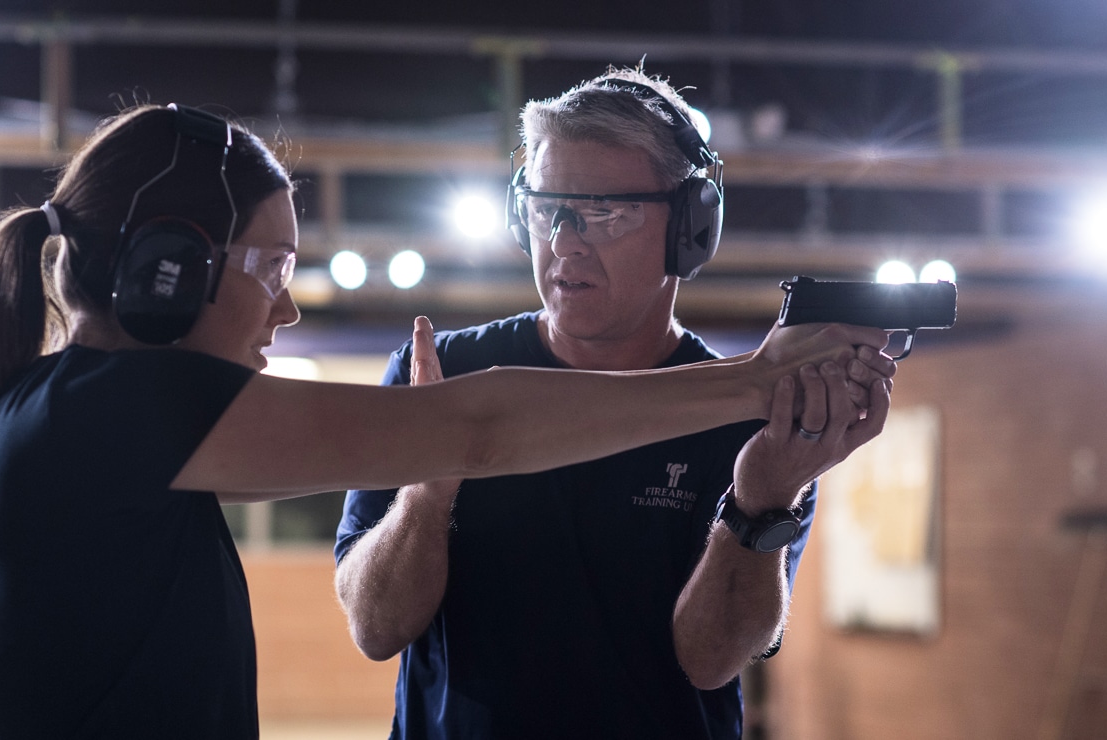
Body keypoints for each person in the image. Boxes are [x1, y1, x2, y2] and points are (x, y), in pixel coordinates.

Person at [0, 100, 886, 739]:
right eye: (271, 270)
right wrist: (753, 383)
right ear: (171, 269)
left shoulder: (71, 409)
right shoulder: (117, 408)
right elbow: (478, 429)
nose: (284, 307)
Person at [334, 67, 896, 739]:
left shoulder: (751, 413)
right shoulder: (442, 377)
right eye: (546, 209)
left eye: (604, 212)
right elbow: (375, 627)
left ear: (688, 227)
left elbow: (711, 661)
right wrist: (429, 495)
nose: (565, 240)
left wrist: (762, 502)